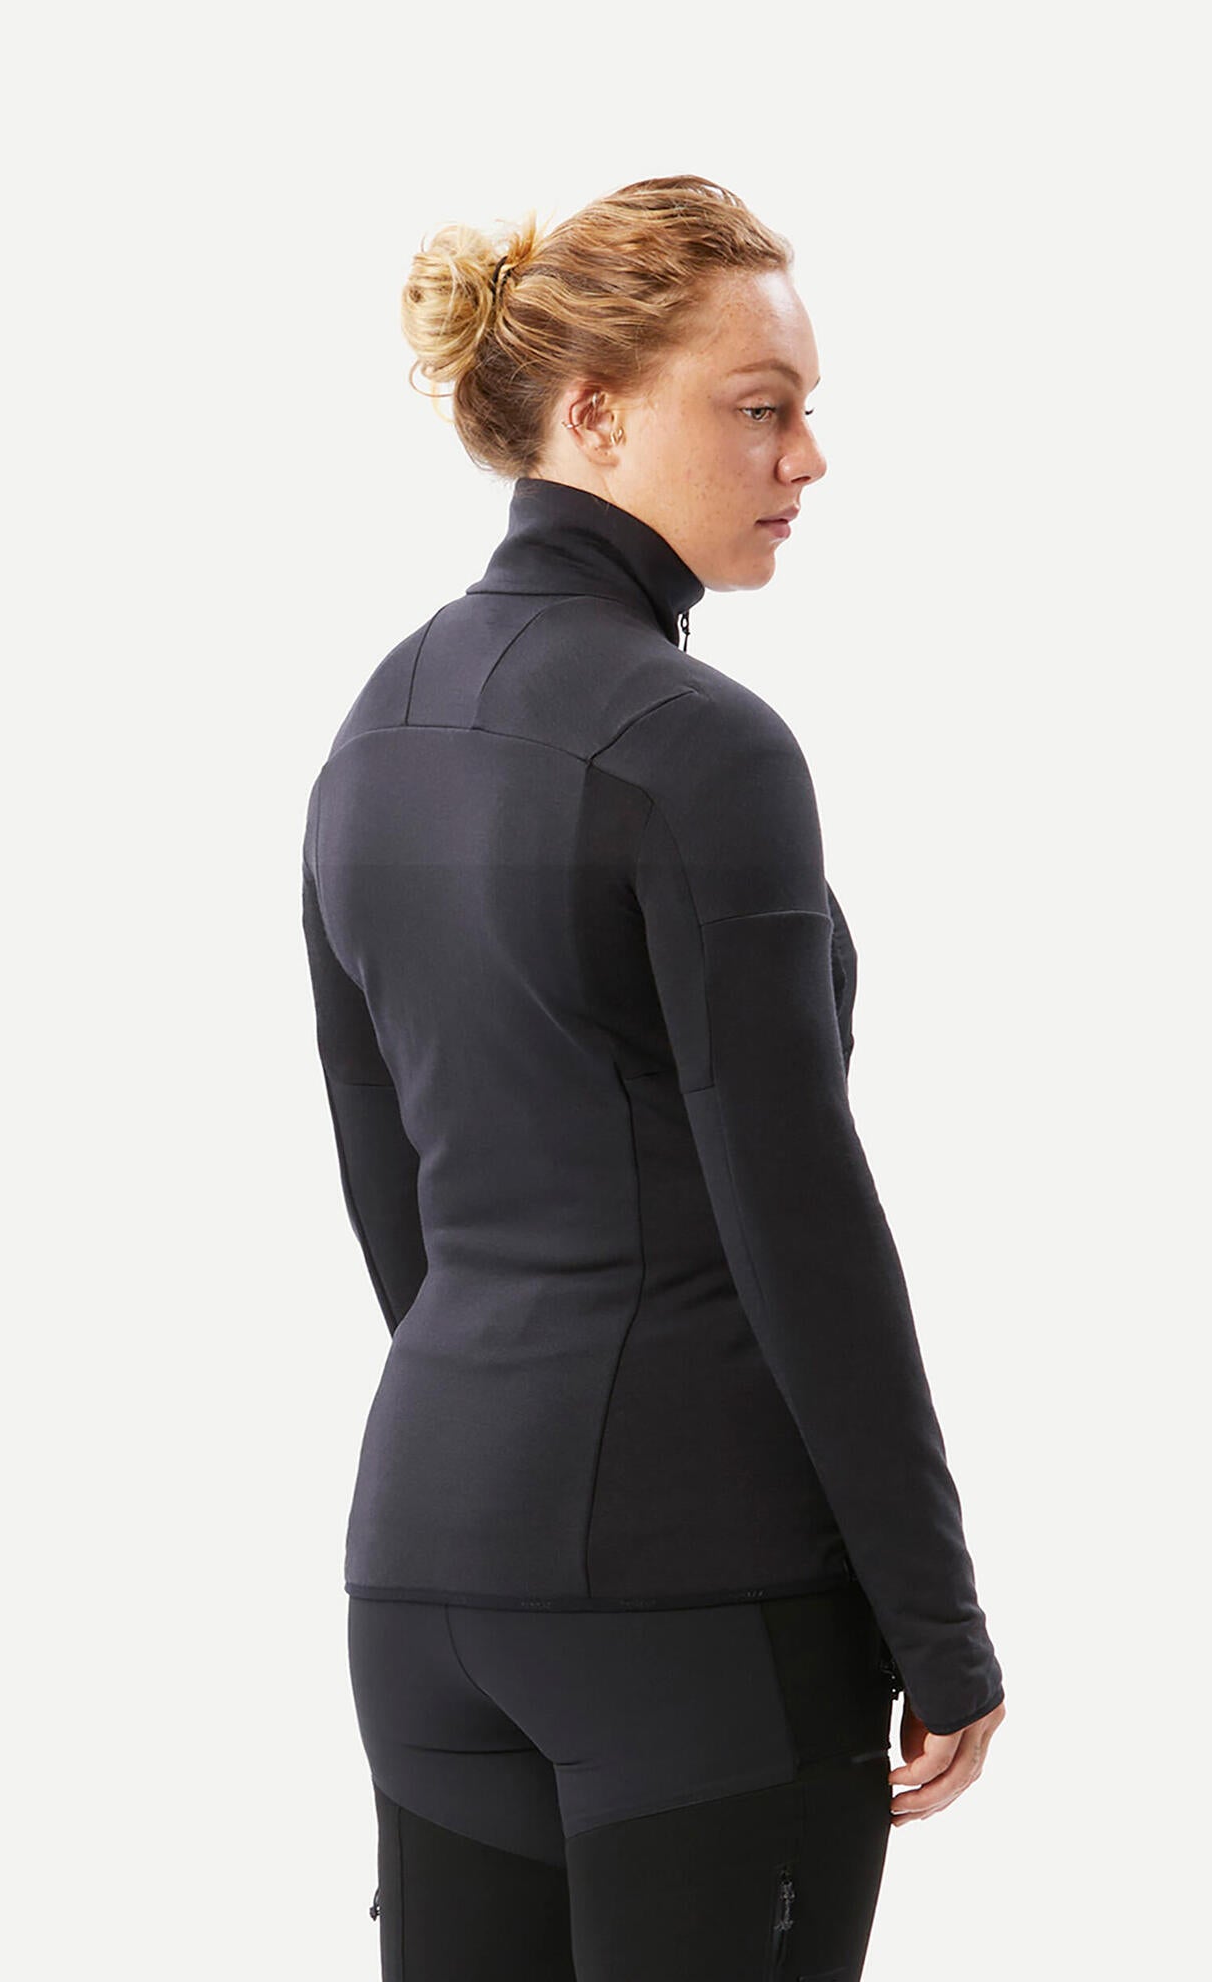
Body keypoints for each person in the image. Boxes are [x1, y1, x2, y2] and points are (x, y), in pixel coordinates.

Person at [302, 173, 1007, 1980]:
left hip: (428, 1566)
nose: (807, 459)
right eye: (761, 408)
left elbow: (395, 1200)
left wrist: (512, 1447)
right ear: (597, 412)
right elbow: (799, 1215)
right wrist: (938, 1620)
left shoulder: (373, 732)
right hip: (697, 1590)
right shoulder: (701, 749)